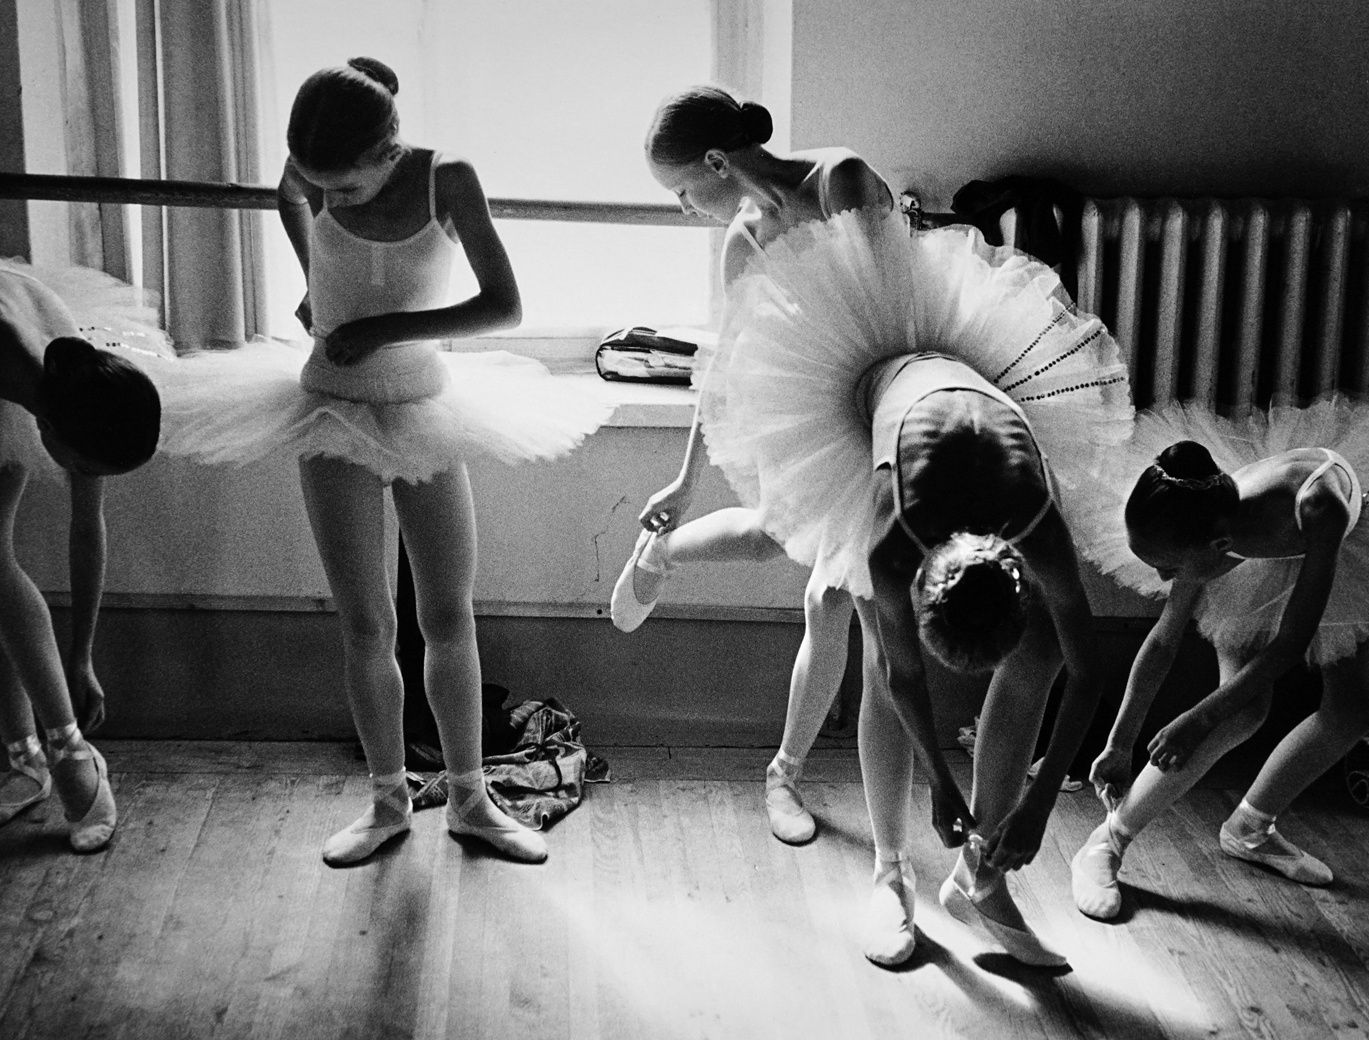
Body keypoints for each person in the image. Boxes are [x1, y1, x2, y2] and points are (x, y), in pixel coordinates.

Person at [156, 57, 611, 866]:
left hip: (423, 406)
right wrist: (314, 276)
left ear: (391, 149)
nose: (335, 198)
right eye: (323, 187)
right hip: (328, 406)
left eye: (351, 189)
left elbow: (502, 306)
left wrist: (381, 329)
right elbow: (291, 191)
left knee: (447, 614)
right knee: (365, 621)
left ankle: (471, 799)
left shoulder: (448, 179)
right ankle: (386, 799)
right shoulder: (311, 166)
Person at [689, 209, 1131, 967]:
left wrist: (1038, 798)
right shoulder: (892, 540)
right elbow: (902, 674)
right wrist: (937, 783)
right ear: (925, 582)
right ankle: (889, 873)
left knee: (1042, 659)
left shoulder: (1035, 515)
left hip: (975, 398)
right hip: (865, 398)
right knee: (873, 662)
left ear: (1015, 574)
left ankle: (981, 877)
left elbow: (1087, 666)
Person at [1067, 396, 1369, 920]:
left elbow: (1290, 643)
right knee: (1242, 710)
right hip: (1255, 555)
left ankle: (1250, 828)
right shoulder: (1201, 521)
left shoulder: (1318, 508)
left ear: (1216, 544)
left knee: (1355, 708)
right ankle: (1107, 841)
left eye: (1168, 567)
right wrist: (1119, 742)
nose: (1165, 580)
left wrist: (1195, 717)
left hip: (1330, 550)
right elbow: (1163, 642)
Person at [610, 85, 893, 846]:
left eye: (679, 191)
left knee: (833, 596)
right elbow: (725, 364)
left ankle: (795, 782)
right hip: (818, 408)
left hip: (890, 399)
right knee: (799, 562)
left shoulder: (840, 178)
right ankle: (793, 781)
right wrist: (683, 480)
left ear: (713, 161)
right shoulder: (742, 239)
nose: (681, 209)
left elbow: (887, 306)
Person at [0, 260, 166, 852]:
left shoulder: (77, 378)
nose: (82, 479)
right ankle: (32, 754)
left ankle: (66, 754)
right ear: (50, 431)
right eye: (83, 466)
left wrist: (82, 657)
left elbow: (86, 527)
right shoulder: (49, 396)